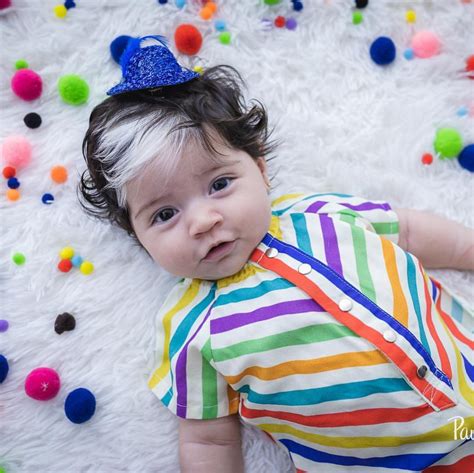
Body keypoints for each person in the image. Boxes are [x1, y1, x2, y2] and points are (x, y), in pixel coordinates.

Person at [79, 36, 474, 472]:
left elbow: (411, 229)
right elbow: (208, 440)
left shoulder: (320, 213)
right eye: (165, 213)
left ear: (261, 170)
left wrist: (467, 250)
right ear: (138, 237)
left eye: (219, 184)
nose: (204, 220)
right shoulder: (190, 329)